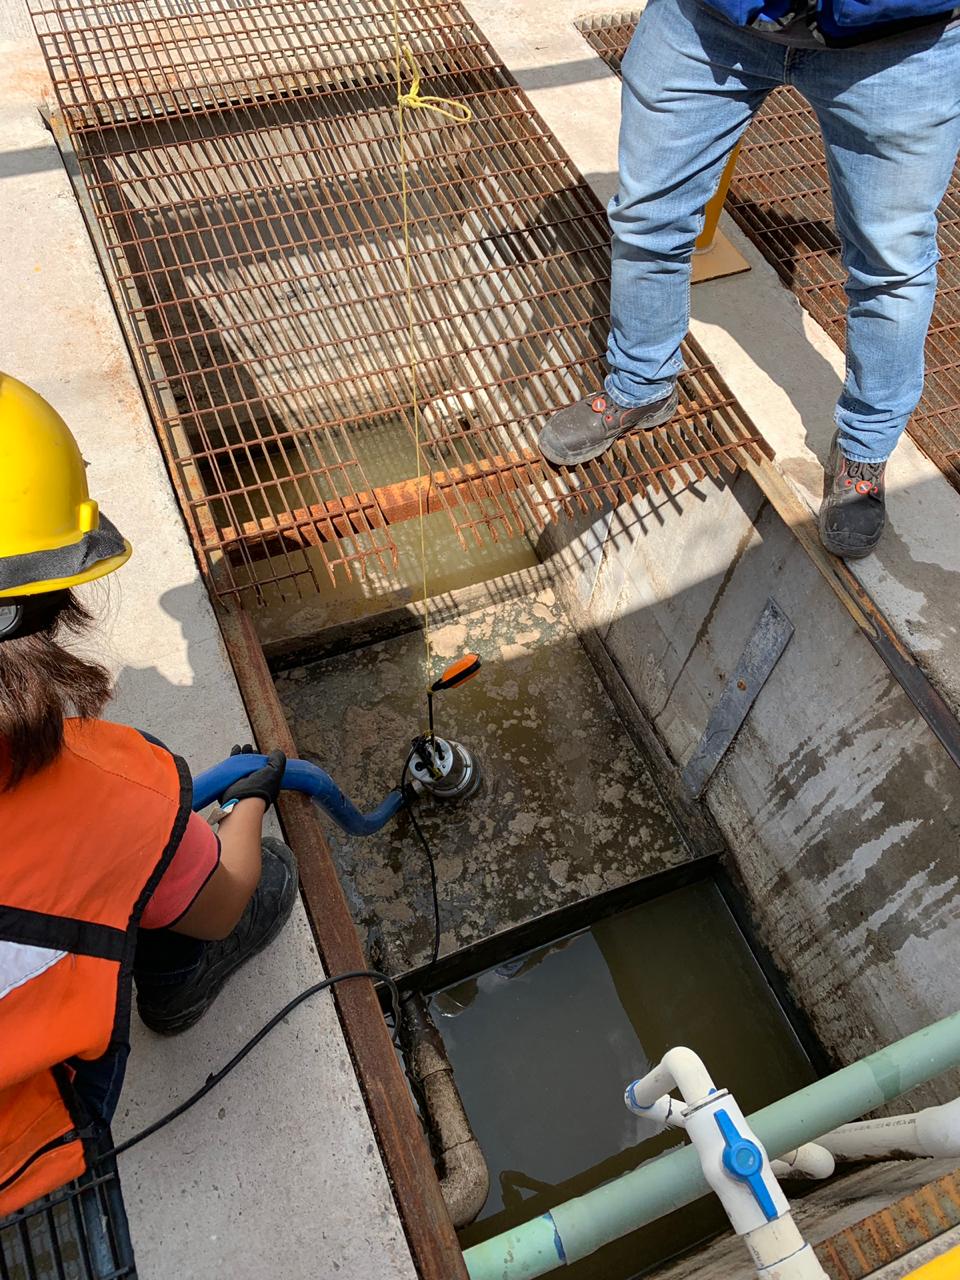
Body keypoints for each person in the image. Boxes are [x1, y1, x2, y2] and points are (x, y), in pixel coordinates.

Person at [0, 373, 297, 1215]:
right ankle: (179, 989)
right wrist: (249, 804)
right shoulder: (111, 790)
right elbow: (222, 901)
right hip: (21, 1127)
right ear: (52, 602)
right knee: (218, 878)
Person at [537, 0, 960, 559]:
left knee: (890, 265)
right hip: (709, 17)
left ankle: (864, 447)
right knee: (648, 216)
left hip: (896, 40)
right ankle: (640, 385)